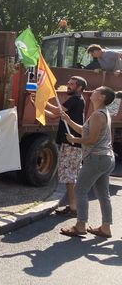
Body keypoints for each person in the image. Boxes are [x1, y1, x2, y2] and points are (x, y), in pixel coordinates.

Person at [59, 86, 116, 238]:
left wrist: (74, 140)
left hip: (96, 158)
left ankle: (80, 225)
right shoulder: (101, 113)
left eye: (97, 91)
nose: (93, 92)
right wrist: (68, 120)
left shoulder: (98, 115)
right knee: (103, 193)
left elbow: (91, 140)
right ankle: (105, 228)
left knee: (80, 190)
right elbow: (85, 131)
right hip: (105, 158)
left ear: (102, 97)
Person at [41, 76, 87, 217]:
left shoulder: (76, 99)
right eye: (68, 83)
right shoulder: (76, 99)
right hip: (69, 143)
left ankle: (74, 208)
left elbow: (57, 111)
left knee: (70, 177)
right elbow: (54, 116)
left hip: (72, 143)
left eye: (71, 84)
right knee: (68, 177)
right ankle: (72, 206)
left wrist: (42, 101)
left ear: (79, 87)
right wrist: (37, 106)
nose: (68, 85)